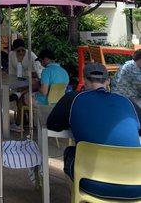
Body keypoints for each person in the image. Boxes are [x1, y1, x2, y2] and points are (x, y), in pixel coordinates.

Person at [47, 63, 141, 200]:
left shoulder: (73, 99)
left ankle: (80, 198)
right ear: (108, 81)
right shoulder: (128, 103)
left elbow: (53, 124)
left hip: (92, 186)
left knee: (70, 152)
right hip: (136, 187)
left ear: (85, 80)